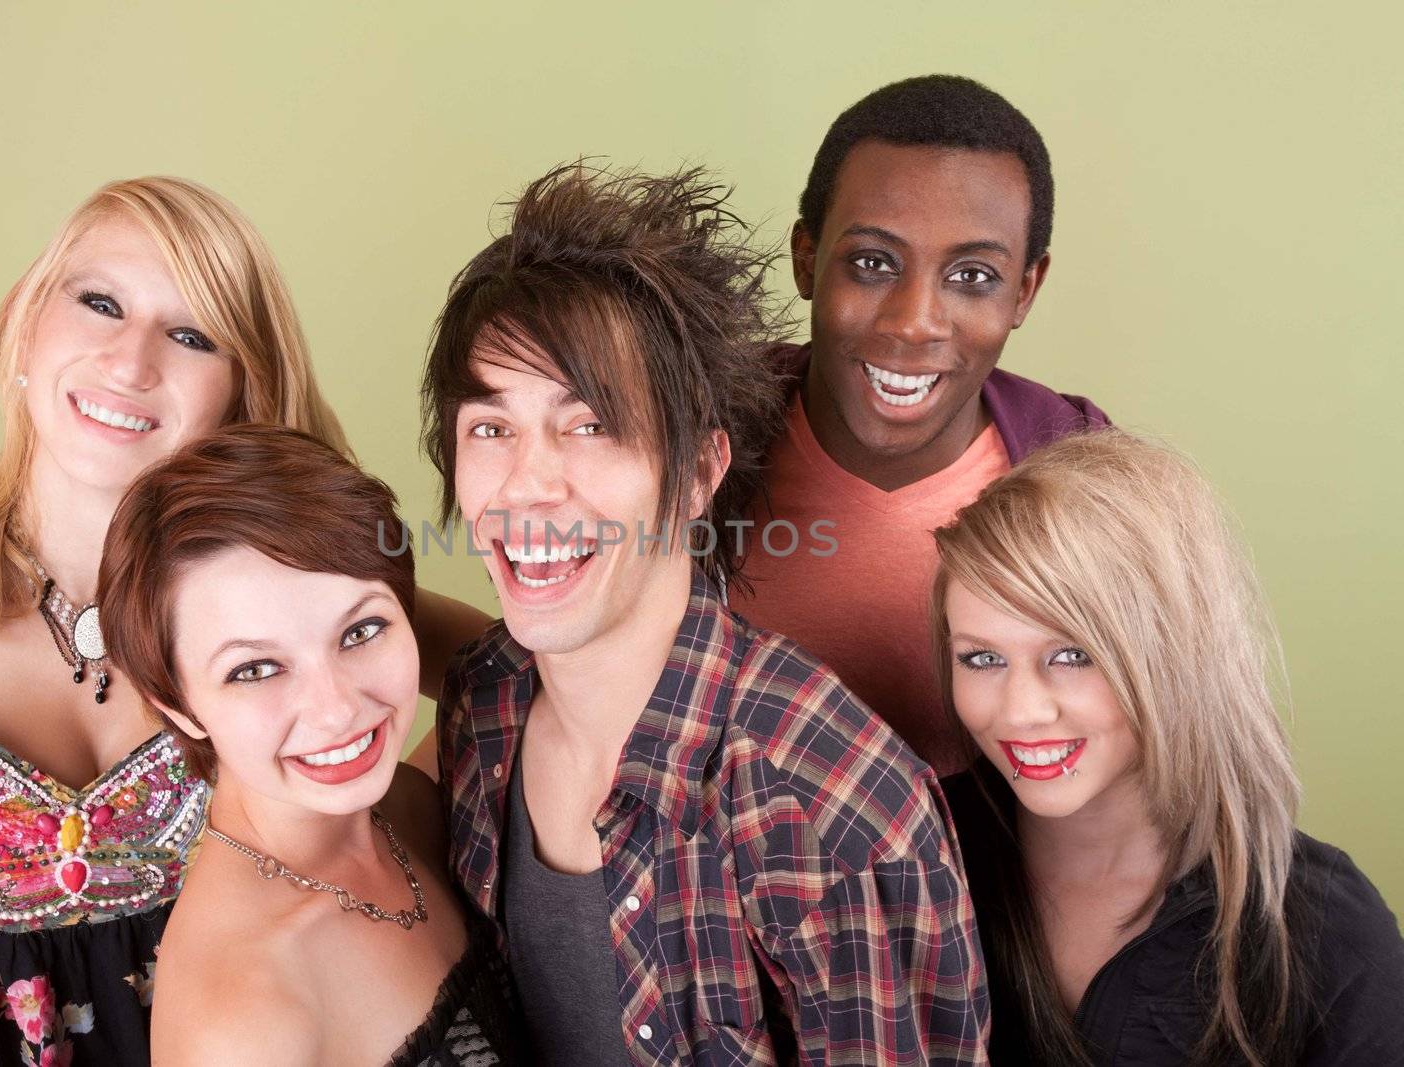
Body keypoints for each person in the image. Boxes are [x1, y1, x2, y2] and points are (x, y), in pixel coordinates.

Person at [0, 176, 487, 1065]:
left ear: (243, 392)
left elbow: (502, 677)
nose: (130, 362)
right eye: (99, 303)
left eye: (192, 334)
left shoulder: (291, 587)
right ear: (23, 323)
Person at [421, 163, 988, 1065]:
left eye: (590, 424)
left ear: (696, 473)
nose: (526, 485)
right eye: (491, 428)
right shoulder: (482, 708)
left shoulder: (835, 814)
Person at [932, 429, 1404, 1065]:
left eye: (1073, 655)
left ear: (1177, 652)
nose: (1021, 711)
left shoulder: (1323, 928)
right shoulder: (912, 858)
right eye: (982, 658)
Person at [97, 424, 520, 1066]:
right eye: (256, 669)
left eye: (361, 630)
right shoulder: (242, 1021)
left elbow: (527, 680)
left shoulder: (409, 803)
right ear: (178, 706)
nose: (337, 710)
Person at [729, 74, 1108, 776]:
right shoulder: (689, 436)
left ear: (1025, 289)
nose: (913, 322)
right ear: (807, 258)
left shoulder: (1086, 485)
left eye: (972, 277)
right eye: (872, 263)